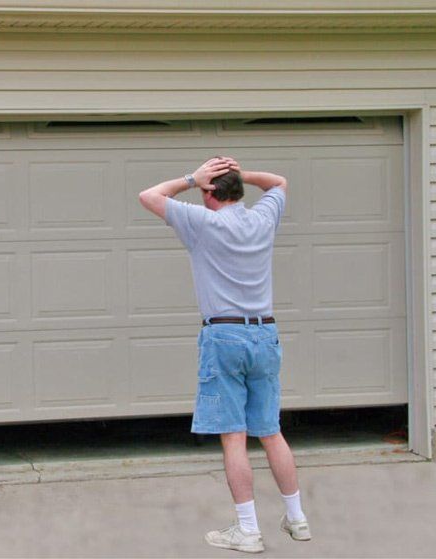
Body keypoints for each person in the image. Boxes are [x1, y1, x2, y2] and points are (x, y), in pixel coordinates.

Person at [138, 157, 311, 553]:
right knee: (270, 432)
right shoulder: (262, 218)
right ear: (238, 190)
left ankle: (248, 530)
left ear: (209, 193)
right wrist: (237, 174)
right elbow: (279, 181)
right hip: (264, 333)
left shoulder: (202, 223)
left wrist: (192, 178)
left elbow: (148, 196)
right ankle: (297, 518)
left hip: (224, 335)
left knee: (234, 436)